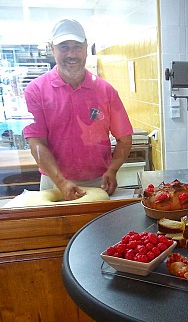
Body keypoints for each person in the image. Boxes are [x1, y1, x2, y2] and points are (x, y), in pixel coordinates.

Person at [23, 18, 133, 200]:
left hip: (99, 182)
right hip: (54, 183)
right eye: (64, 47)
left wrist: (112, 170)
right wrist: (61, 182)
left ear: (86, 48)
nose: (71, 54)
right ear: (52, 49)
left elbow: (125, 139)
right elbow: (36, 143)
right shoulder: (36, 90)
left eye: (77, 46)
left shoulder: (106, 90)